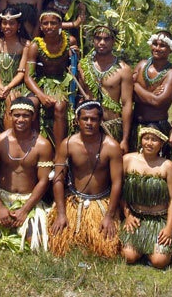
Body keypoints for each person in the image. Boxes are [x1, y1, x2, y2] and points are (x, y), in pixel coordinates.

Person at [0, 97, 54, 251]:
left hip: (29, 200)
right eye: (17, 115)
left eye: (26, 115)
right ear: (9, 115)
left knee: (37, 244)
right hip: (1, 197)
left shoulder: (42, 145)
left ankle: (21, 227)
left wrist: (25, 210)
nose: (21, 119)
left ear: (33, 117)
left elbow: (43, 181)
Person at [49, 100, 122, 258]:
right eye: (85, 119)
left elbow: (117, 183)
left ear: (100, 121)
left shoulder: (111, 146)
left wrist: (109, 216)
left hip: (101, 202)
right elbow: (58, 179)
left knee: (108, 250)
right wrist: (61, 214)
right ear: (77, 120)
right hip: (74, 200)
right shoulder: (68, 144)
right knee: (58, 245)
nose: (89, 123)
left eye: (94, 119)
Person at [120, 127, 172, 268]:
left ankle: (151, 252)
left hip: (159, 220)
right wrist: (127, 215)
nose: (149, 143)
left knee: (159, 262)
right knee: (128, 256)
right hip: (136, 219)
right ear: (141, 140)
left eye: (154, 140)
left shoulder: (167, 166)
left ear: (161, 144)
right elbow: (120, 192)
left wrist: (169, 228)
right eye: (146, 138)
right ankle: (141, 248)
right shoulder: (128, 160)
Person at [77, 23, 134, 151]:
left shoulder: (123, 70)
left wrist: (124, 139)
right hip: (88, 126)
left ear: (113, 41)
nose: (102, 42)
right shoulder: (83, 66)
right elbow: (80, 96)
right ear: (93, 40)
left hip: (112, 126)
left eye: (106, 39)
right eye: (98, 38)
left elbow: (126, 105)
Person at [24, 10, 74, 147]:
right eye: (45, 23)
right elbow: (28, 76)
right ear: (40, 26)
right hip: (42, 83)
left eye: (53, 23)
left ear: (60, 25)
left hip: (62, 83)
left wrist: (75, 55)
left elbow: (76, 66)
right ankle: (34, 146)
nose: (49, 26)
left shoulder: (69, 41)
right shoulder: (36, 45)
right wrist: (41, 95)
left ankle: (59, 151)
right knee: (32, 104)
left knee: (59, 106)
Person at [131, 26, 172, 153]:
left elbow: (157, 102)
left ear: (170, 50)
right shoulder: (141, 65)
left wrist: (135, 86)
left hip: (156, 127)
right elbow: (128, 94)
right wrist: (150, 95)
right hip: (135, 125)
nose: (157, 48)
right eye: (155, 44)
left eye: (162, 45)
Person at [0, 6, 29, 136]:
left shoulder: (25, 45)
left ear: (18, 25)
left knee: (11, 99)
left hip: (16, 84)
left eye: (11, 23)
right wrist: (0, 86)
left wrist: (8, 87)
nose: (7, 26)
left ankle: (9, 138)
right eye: (4, 23)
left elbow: (21, 72)